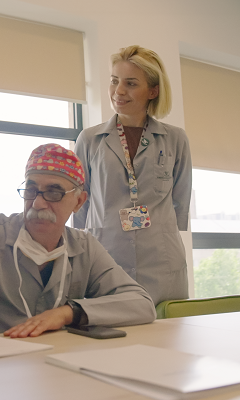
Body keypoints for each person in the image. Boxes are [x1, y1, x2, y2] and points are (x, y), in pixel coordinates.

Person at [0, 144, 156, 350]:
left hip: (56, 365)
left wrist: (67, 313)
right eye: (31, 190)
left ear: (79, 202)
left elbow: (141, 304)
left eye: (54, 192)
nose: (38, 203)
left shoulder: (85, 247)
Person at [74, 45, 192, 306]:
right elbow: (78, 204)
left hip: (161, 259)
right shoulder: (90, 139)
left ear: (153, 90)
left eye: (130, 83)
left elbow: (181, 201)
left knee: (167, 337)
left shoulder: (175, 139)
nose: (118, 91)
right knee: (111, 333)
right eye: (114, 81)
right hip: (106, 254)